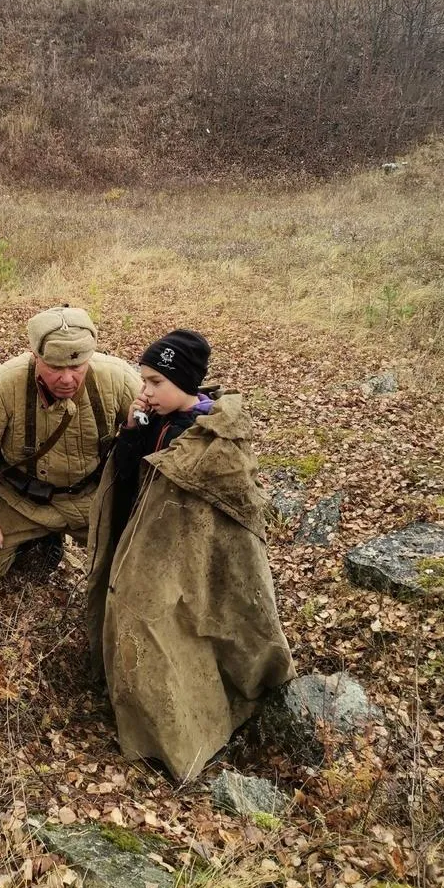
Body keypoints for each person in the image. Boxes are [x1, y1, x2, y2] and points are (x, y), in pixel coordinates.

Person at [86, 329, 295, 783]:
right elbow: (126, 475)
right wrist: (132, 431)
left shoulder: (212, 440)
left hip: (181, 557)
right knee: (135, 620)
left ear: (184, 382)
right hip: (138, 538)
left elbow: (227, 513)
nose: (145, 390)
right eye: (143, 380)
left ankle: (173, 739)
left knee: (166, 629)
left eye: (156, 382)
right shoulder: (153, 419)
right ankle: (133, 704)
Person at [0, 306, 142, 577]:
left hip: (93, 500)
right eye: (55, 367)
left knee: (138, 560)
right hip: (22, 502)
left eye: (76, 366)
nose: (67, 378)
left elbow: (159, 437)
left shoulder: (117, 378)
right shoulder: (1, 386)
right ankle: (37, 543)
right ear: (35, 356)